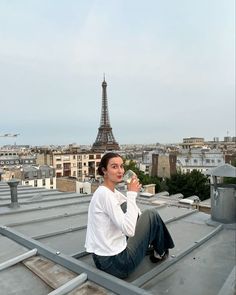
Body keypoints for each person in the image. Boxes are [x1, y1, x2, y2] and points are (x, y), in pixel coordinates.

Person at [85, 152, 174, 279]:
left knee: (127, 207)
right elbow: (130, 230)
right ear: (104, 171)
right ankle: (160, 251)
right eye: (114, 167)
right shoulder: (106, 196)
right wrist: (132, 194)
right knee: (151, 214)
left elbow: (137, 214)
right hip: (117, 264)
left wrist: (130, 192)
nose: (120, 170)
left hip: (102, 259)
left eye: (121, 166)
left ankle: (155, 245)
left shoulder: (108, 192)